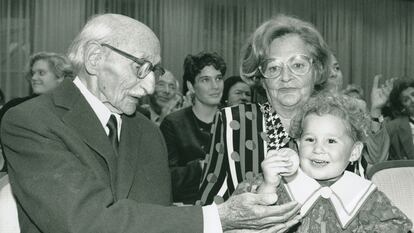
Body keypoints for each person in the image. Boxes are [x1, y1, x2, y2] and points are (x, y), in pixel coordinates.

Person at [1, 13, 301, 233]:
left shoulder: (145, 130)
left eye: (154, 71)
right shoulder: (31, 122)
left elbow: (157, 219)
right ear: (94, 58)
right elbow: (85, 222)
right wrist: (219, 217)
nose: (148, 88)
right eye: (141, 68)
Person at [199, 14, 330, 205]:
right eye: (273, 68)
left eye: (298, 65)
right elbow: (211, 206)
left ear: (316, 70)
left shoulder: (339, 124)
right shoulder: (233, 122)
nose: (286, 77)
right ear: (261, 77)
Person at [257, 93, 412, 232]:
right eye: (310, 139)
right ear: (298, 145)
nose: (318, 149)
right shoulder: (280, 185)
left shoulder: (364, 195)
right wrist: (268, 185)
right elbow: (250, 222)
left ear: (354, 152)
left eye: (331, 141)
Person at [160, 52, 225, 204]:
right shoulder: (173, 124)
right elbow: (164, 178)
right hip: (189, 211)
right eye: (205, 80)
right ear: (191, 86)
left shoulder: (235, 121)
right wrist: (201, 167)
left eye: (219, 78)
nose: (215, 86)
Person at [374, 78, 414, 160]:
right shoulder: (393, 128)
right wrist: (376, 108)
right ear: (402, 107)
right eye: (406, 100)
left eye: (413, 94)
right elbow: (376, 154)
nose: (413, 100)